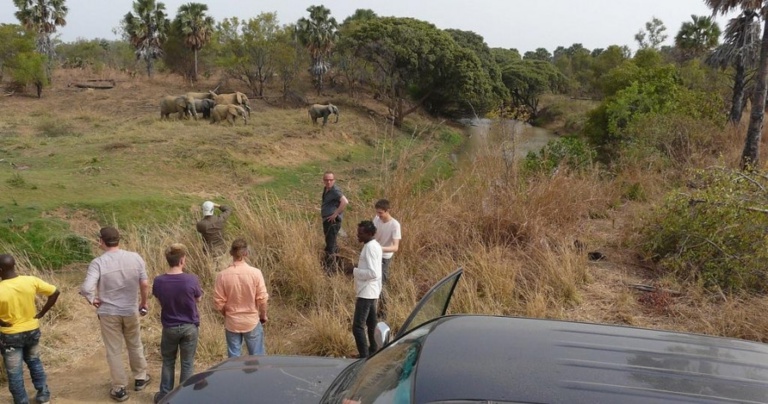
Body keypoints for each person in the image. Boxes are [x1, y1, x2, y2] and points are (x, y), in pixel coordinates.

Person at [79, 227, 151, 402]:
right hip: (130, 309)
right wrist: (143, 302)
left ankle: (119, 387)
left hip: (108, 312)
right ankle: (140, 377)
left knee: (114, 349)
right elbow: (144, 283)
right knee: (135, 343)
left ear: (101, 241)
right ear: (119, 239)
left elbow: (86, 288)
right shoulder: (135, 257)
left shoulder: (98, 263)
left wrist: (92, 299)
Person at [0, 254, 60, 404]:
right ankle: (43, 394)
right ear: (14, 265)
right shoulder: (30, 281)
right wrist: (42, 313)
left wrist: (1, 322)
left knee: (15, 373)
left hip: (10, 335)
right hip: (32, 330)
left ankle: (21, 401)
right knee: (35, 362)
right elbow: (55, 292)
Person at [152, 244, 203, 404]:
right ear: (182, 260)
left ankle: (165, 395)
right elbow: (198, 298)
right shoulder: (191, 279)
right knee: (187, 362)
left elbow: (160, 300)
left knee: (168, 361)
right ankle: (185, 396)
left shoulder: (159, 281)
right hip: (189, 326)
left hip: (170, 326)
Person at [214, 238, 269, 357]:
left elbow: (219, 303)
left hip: (232, 322)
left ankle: (235, 376)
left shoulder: (222, 275)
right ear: (246, 253)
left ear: (231, 253)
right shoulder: (255, 273)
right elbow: (262, 299)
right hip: (251, 320)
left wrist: (227, 314)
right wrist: (263, 315)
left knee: (233, 360)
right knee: (257, 358)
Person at [352, 220, 382, 358]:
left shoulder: (370, 247)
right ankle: (373, 351)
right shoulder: (374, 245)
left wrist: (355, 271)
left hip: (367, 291)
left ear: (369, 233)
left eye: (361, 233)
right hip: (372, 290)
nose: (358, 235)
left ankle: (364, 357)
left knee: (358, 326)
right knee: (371, 324)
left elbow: (373, 273)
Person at [372, 199, 401, 318]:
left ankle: (384, 311)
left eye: (381, 213)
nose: (379, 216)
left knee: (381, 284)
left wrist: (380, 248)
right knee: (372, 282)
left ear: (387, 211)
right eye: (377, 213)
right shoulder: (376, 219)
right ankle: (373, 310)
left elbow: (395, 247)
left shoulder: (395, 225)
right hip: (374, 254)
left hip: (384, 257)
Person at [321, 171, 349, 272]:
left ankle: (330, 269)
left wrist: (335, 214)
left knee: (330, 245)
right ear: (323, 180)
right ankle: (338, 265)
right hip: (327, 220)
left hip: (332, 221)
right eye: (326, 180)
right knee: (332, 244)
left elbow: (345, 201)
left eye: (330, 180)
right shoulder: (326, 189)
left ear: (334, 180)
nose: (328, 182)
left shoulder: (335, 190)